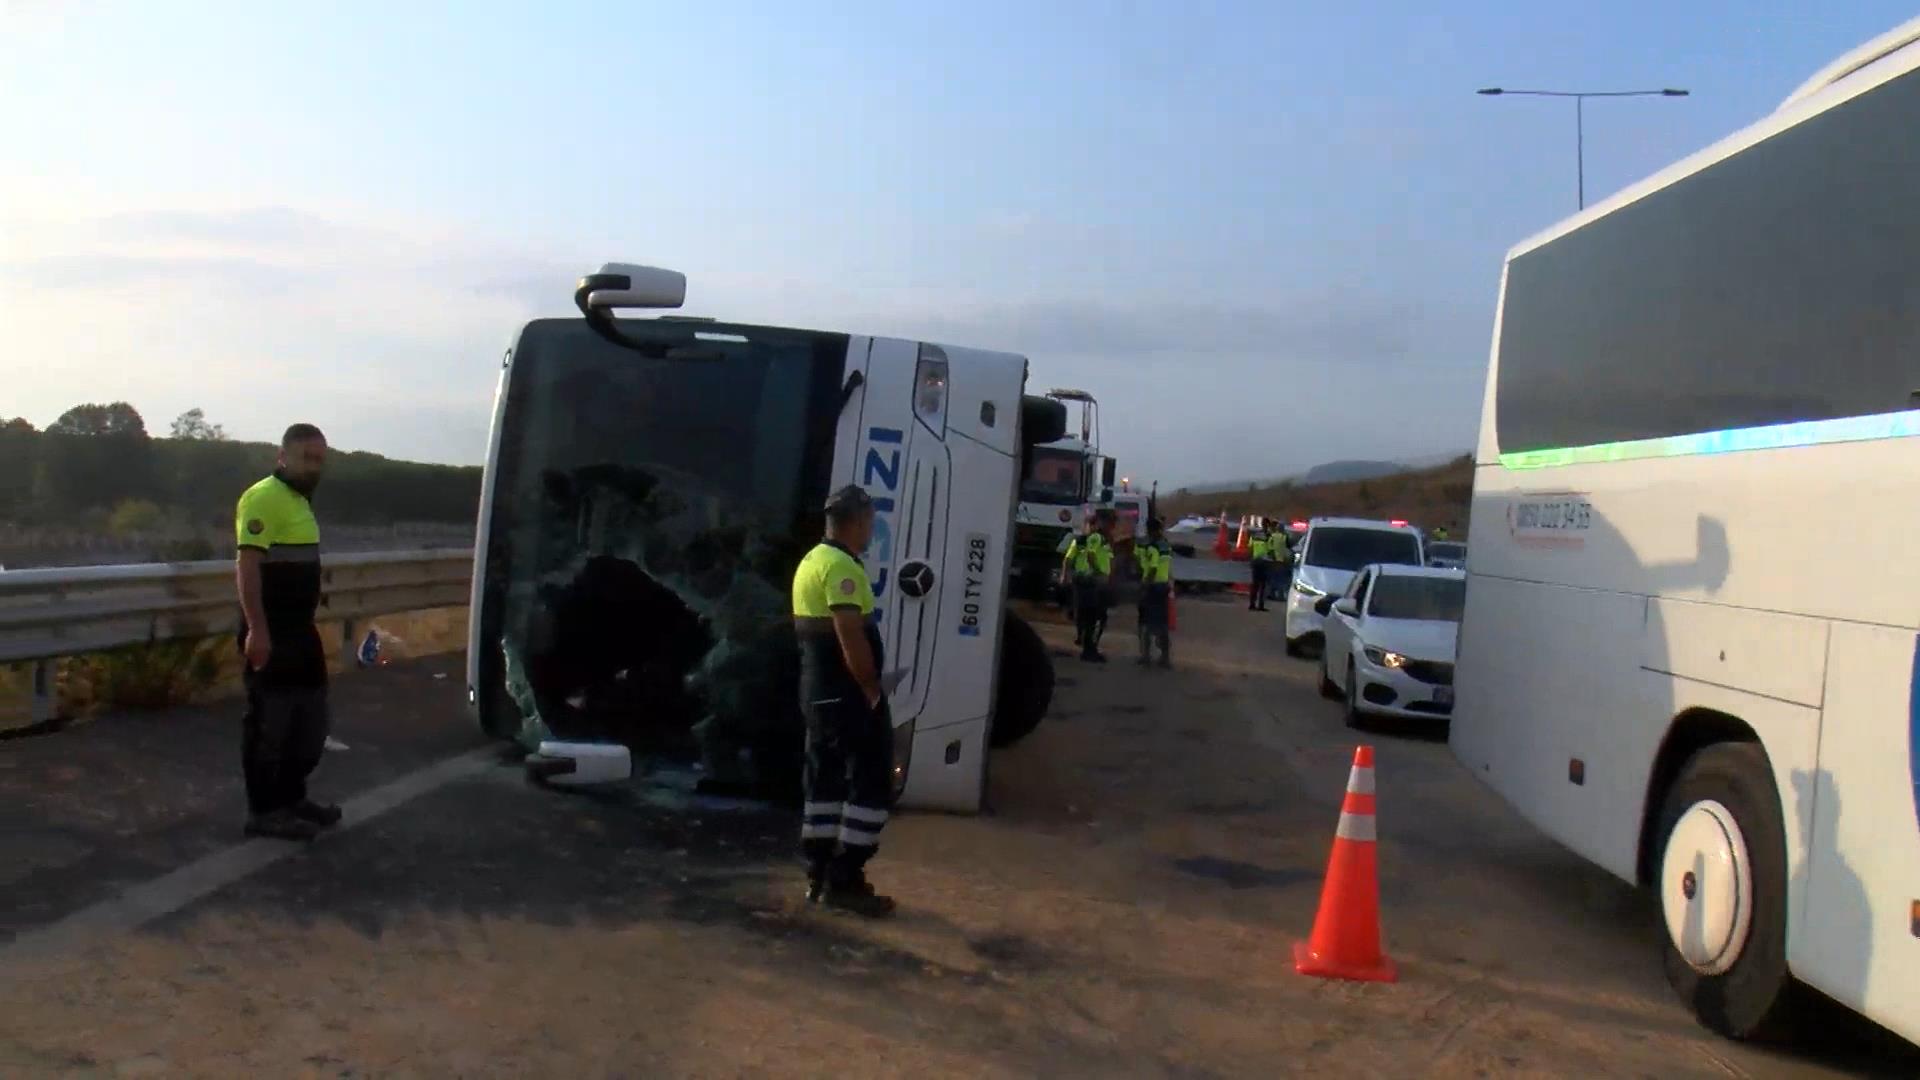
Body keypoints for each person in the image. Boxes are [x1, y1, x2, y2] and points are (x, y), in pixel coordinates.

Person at [791, 485, 897, 917]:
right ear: (857, 522)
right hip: (847, 693)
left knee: (824, 777)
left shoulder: (812, 560)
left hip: (818, 693)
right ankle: (847, 876)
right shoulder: (842, 569)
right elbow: (850, 634)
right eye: (870, 522)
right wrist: (872, 687)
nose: (872, 531)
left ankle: (818, 872)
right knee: (870, 777)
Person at [235, 423, 338, 841]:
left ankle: (293, 799)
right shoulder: (263, 497)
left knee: (310, 725)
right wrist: (257, 630)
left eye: (319, 459)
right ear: (282, 457)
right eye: (305, 457)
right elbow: (247, 567)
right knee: (270, 727)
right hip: (271, 630)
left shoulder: (300, 500)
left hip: (301, 632)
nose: (314, 466)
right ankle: (265, 811)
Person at [1062, 511, 1114, 662]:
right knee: (1095, 616)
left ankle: (1087, 646)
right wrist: (1099, 572)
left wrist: (1065, 576)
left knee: (1086, 615)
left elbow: (1068, 559)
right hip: (1092, 580)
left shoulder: (1080, 540)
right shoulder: (1097, 538)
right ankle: (1089, 650)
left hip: (1083, 579)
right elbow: (1091, 556)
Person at [1136, 518, 1174, 667]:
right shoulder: (1166, 545)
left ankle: (1146, 656)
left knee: (1145, 622)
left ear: (1149, 530)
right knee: (1162, 623)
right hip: (1164, 585)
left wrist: (1144, 585)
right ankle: (1165, 657)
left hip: (1152, 586)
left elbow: (1152, 567)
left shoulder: (1152, 547)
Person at [1247, 521, 1273, 612]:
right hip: (1264, 562)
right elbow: (1270, 550)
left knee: (1254, 585)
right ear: (1268, 526)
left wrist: (1251, 559)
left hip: (1255, 561)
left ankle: (1252, 604)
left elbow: (1250, 548)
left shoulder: (1254, 535)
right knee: (1263, 586)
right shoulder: (1268, 536)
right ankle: (1260, 605)